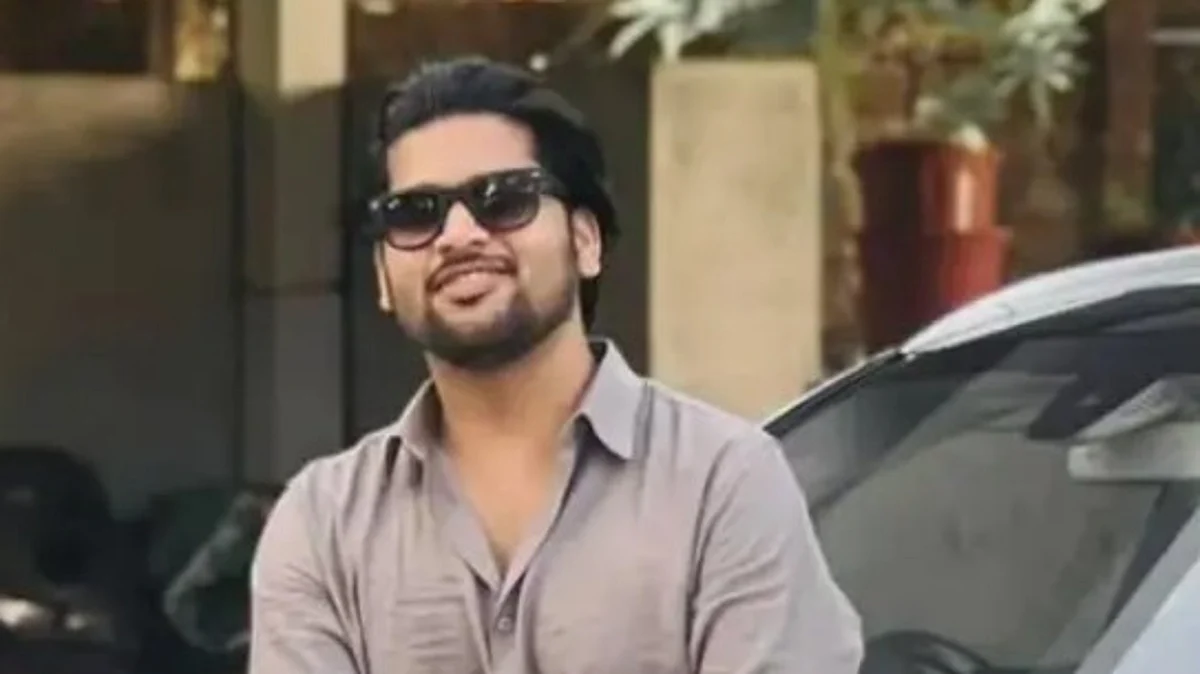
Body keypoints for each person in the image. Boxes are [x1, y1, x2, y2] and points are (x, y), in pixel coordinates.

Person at [248, 55, 863, 674]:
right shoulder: (323, 526)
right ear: (384, 276)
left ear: (585, 241)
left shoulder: (723, 484)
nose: (457, 235)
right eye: (415, 214)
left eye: (503, 199)